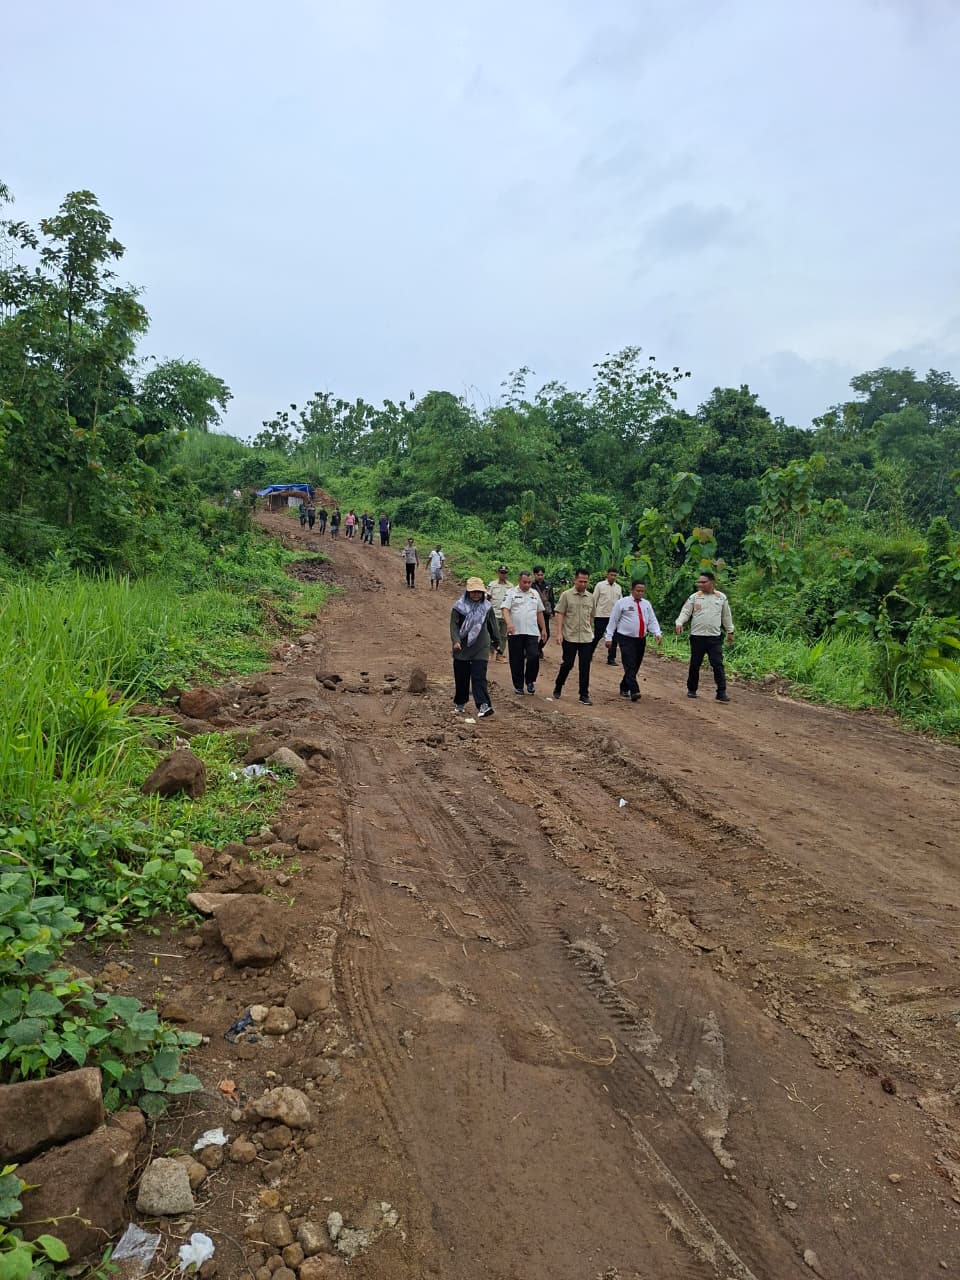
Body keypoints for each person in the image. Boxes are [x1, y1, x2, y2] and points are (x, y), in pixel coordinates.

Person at [675, 570, 734, 701]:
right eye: (699, 582)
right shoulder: (694, 597)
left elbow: (726, 616)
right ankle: (692, 689)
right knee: (695, 664)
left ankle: (721, 692)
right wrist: (679, 623)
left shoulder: (721, 597)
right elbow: (685, 612)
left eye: (703, 582)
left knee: (717, 664)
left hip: (714, 637)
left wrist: (730, 631)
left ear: (712, 582)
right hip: (697, 636)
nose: (700, 584)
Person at [606, 579, 663, 702]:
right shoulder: (622, 603)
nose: (640, 593)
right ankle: (634, 690)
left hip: (641, 639)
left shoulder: (646, 604)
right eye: (638, 591)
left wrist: (657, 632)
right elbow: (613, 620)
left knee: (636, 664)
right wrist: (609, 637)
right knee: (629, 663)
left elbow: (652, 619)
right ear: (632, 590)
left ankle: (624, 686)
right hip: (625, 638)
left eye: (642, 591)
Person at [450, 577, 498, 718]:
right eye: (473, 592)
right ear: (468, 592)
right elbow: (454, 626)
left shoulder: (487, 607)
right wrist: (456, 641)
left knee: (479, 676)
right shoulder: (459, 607)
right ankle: (460, 703)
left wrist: (496, 642)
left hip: (481, 645)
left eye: (479, 592)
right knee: (461, 676)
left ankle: (483, 705)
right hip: (462, 647)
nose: (476, 594)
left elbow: (493, 625)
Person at [552, 569, 597, 705]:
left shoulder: (591, 597)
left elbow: (591, 616)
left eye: (585, 582)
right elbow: (560, 613)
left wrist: (591, 630)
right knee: (568, 663)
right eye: (580, 581)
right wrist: (559, 633)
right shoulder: (566, 595)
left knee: (585, 666)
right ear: (575, 580)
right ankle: (559, 684)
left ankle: (584, 694)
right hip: (570, 636)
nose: (583, 584)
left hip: (586, 638)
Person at [502, 571, 547, 695]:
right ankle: (518, 685)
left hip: (532, 631)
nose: (527, 585)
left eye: (529, 582)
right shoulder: (511, 592)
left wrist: (543, 629)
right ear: (519, 581)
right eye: (524, 582)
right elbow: (505, 610)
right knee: (517, 659)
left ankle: (530, 680)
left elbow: (539, 612)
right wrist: (509, 623)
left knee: (534, 656)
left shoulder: (534, 593)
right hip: (515, 632)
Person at [592, 568, 623, 666]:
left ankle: (611, 658)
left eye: (615, 575)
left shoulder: (618, 587)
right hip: (601, 615)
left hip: (614, 617)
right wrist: (591, 614)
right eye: (611, 575)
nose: (613, 577)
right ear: (607, 575)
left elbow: (621, 603)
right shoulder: (600, 585)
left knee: (614, 638)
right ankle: (589, 653)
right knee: (597, 635)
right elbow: (594, 600)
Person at [486, 564, 512, 662]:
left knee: (503, 636)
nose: (503, 574)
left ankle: (500, 654)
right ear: (498, 573)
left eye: (505, 573)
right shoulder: (492, 585)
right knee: (493, 633)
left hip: (505, 615)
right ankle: (491, 651)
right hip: (494, 614)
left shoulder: (510, 586)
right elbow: (487, 598)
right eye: (501, 572)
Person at [531, 566, 555, 654]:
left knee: (546, 633)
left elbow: (551, 598)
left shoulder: (548, 585)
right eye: (538, 575)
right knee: (533, 633)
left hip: (545, 612)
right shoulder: (531, 585)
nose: (540, 577)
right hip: (533, 612)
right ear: (534, 575)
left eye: (541, 575)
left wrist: (552, 611)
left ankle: (538, 648)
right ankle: (531, 651)